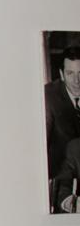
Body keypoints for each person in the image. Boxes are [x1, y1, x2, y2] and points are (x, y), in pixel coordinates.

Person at [45, 46, 80, 181]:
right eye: (70, 73)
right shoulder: (48, 97)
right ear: (61, 74)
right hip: (60, 181)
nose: (77, 81)